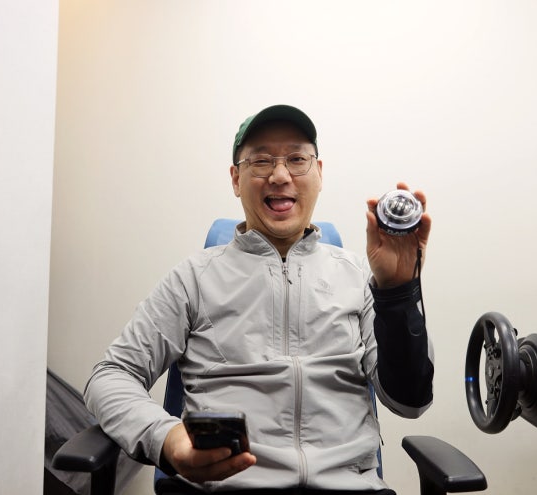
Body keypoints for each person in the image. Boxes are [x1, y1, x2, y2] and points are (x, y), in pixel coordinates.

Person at [84, 104, 434, 494]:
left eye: (297, 159)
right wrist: (166, 437)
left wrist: (397, 292)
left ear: (319, 173)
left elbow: (409, 402)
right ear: (236, 179)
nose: (280, 176)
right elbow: (110, 376)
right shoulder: (193, 279)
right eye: (262, 161)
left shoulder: (359, 279)